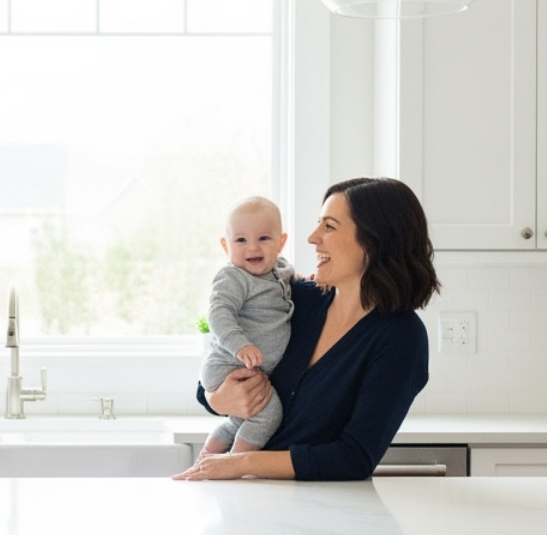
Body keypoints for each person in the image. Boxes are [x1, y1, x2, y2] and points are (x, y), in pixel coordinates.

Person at [174, 177, 439, 481]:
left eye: (329, 226)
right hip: (244, 493)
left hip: (316, 503)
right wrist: (217, 398)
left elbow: (354, 457)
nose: (313, 238)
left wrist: (243, 463)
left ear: (373, 240)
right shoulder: (295, 299)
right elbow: (217, 368)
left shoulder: (401, 338)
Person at [200, 196, 295, 455]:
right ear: (226, 245)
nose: (252, 247)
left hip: (247, 368)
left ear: (281, 242)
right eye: (241, 240)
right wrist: (240, 345)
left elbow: (291, 282)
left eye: (263, 238)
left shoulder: (281, 271)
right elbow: (219, 312)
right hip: (228, 364)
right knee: (268, 414)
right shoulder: (234, 276)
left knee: (237, 423)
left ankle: (206, 460)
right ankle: (235, 465)